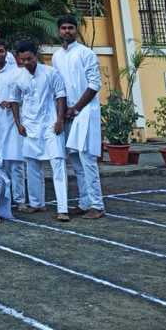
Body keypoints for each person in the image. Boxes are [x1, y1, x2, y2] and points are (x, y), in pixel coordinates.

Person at [9, 40, 69, 222]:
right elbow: (14, 100)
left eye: (29, 58)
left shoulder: (51, 73)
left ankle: (63, 208)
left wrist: (60, 120)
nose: (26, 62)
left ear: (36, 55)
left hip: (51, 124)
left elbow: (60, 96)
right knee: (32, 165)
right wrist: (18, 124)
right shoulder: (17, 77)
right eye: (23, 60)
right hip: (29, 126)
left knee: (57, 164)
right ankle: (36, 203)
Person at [52, 14, 104, 220]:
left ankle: (97, 205)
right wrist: (63, 111)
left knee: (87, 159)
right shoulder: (56, 56)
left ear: (76, 30)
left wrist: (76, 108)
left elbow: (94, 84)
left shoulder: (86, 53)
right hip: (67, 113)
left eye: (70, 28)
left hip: (86, 111)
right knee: (75, 160)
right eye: (63, 28)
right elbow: (59, 87)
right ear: (59, 31)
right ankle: (85, 203)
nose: (67, 31)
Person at [0, 39, 26, 207]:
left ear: (6, 52)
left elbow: (25, 94)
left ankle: (20, 200)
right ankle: (3, 199)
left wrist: (12, 102)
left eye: (2, 51)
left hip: (12, 121)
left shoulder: (17, 72)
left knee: (16, 162)